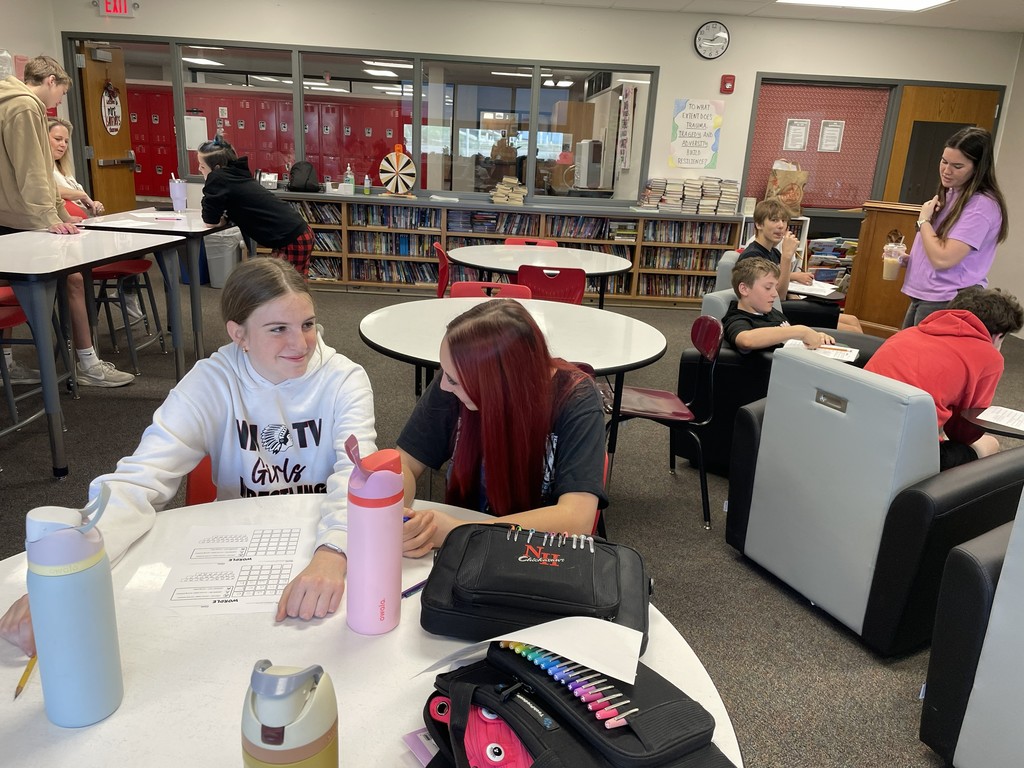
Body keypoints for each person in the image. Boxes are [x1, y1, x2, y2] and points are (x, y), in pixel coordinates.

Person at [0, 258, 377, 656]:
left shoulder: (344, 379)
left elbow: (356, 475)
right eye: (277, 329)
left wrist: (333, 551)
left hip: (321, 539)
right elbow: (140, 478)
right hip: (239, 548)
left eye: (307, 324)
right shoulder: (211, 381)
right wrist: (65, 575)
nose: (300, 344)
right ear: (240, 335)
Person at [398, 299, 607, 557]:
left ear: (498, 384)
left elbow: (577, 518)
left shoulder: (577, 401)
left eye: (453, 380)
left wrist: (460, 532)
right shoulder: (456, 379)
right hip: (464, 557)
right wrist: (395, 513)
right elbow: (404, 462)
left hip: (539, 558)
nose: (443, 386)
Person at [0, 56, 133, 387]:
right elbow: (31, 170)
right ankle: (87, 364)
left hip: (11, 215)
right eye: (60, 93)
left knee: (24, 285)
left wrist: (57, 209)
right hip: (22, 218)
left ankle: (8, 364)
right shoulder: (26, 106)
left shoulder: (6, 100)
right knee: (71, 279)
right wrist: (50, 217)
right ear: (50, 81)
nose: (58, 101)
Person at [865, 286, 1023, 470]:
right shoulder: (989, 357)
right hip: (906, 458)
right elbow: (964, 433)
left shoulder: (908, 333)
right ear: (999, 335)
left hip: (857, 433)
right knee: (990, 443)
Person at [902, 127, 1008, 328]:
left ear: (978, 168)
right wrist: (914, 260)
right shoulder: (952, 194)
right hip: (926, 295)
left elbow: (943, 259)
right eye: (944, 161)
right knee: (905, 356)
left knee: (925, 358)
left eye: (957, 166)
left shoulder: (981, 206)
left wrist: (923, 221)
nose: (946, 170)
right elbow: (938, 247)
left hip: (946, 298)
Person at [737, 198, 863, 333]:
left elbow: (780, 281)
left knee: (853, 320)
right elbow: (778, 296)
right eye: (774, 220)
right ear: (758, 224)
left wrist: (793, 280)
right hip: (772, 312)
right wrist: (786, 257)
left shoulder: (772, 252)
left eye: (784, 221)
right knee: (851, 329)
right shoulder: (753, 256)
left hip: (783, 305)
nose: (781, 226)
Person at [197, 136, 314, 277]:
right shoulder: (236, 175)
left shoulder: (217, 178)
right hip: (298, 233)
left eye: (202, 166)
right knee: (290, 284)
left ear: (216, 168)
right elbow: (234, 209)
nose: (199, 169)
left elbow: (210, 220)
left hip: (292, 238)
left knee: (284, 286)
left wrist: (210, 184)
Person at [722, 256, 836, 353]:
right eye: (768, 287)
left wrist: (816, 337)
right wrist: (801, 331)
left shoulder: (769, 312)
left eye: (775, 287)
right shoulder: (737, 319)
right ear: (744, 289)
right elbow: (746, 340)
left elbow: (789, 337)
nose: (775, 294)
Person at [48, 117, 105, 217]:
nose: (63, 145)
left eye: (66, 141)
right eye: (58, 139)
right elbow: (46, 188)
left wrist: (94, 206)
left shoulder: (62, 169)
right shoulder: (40, 168)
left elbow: (81, 201)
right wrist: (82, 195)